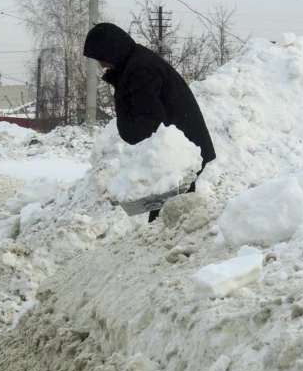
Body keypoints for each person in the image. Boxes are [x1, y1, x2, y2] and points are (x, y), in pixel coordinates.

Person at [83, 22, 217, 222]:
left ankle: (176, 245)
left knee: (169, 213)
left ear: (113, 50)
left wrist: (145, 161)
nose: (101, 65)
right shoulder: (134, 64)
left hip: (177, 153)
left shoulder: (140, 69)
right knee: (169, 211)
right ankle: (173, 243)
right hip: (177, 148)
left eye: (102, 58)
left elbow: (150, 120)